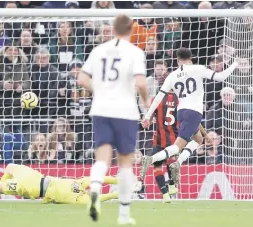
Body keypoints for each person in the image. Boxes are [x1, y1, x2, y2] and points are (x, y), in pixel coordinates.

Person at [75, 14, 149, 225]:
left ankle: (96, 188)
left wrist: (98, 91)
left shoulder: (98, 51)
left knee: (102, 158)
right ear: (131, 30)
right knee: (125, 164)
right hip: (125, 111)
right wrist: (145, 101)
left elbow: (81, 78)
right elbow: (142, 83)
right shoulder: (134, 52)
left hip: (101, 109)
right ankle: (124, 215)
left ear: (113, 30)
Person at [142, 47, 238, 185]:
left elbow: (158, 97)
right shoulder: (198, 68)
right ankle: (151, 159)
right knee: (178, 146)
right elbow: (221, 76)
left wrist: (147, 116)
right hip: (194, 111)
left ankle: (178, 162)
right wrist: (235, 64)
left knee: (198, 139)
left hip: (181, 112)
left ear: (177, 60)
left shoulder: (172, 75)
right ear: (191, 59)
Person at [0, 164, 119, 205]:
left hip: (32, 187)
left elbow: (99, 198)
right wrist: (119, 180)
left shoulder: (77, 199)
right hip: (35, 176)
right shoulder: (80, 184)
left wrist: (115, 194)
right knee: (10, 167)